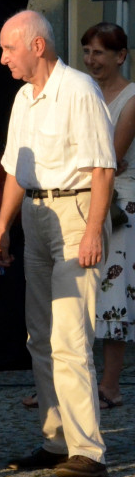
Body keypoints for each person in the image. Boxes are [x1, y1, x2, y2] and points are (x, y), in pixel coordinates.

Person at [0, 10, 114, 477]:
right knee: (39, 335)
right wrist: (3, 227)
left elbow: (102, 167)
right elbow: (14, 170)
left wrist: (92, 231)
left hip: (76, 212)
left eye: (9, 48)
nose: (3, 58)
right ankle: (58, 439)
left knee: (69, 336)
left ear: (36, 46)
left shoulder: (79, 90)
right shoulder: (25, 97)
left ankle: (89, 450)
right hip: (36, 215)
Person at [85, 22, 135, 411]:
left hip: (121, 203)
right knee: (81, 291)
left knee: (113, 290)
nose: (91, 59)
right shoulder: (84, 93)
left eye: (99, 52)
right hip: (85, 195)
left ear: (121, 56)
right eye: (87, 52)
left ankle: (110, 384)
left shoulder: (132, 97)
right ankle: (73, 386)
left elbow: (113, 158)